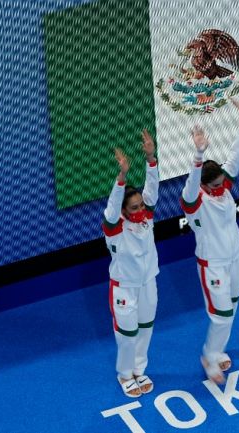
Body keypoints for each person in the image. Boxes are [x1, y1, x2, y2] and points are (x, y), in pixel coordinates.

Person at [180, 99, 239, 384]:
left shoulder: (222, 187)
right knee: (221, 315)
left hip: (237, 256)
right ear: (202, 186)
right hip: (213, 265)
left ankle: (218, 349)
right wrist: (198, 154)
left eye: (222, 182)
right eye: (214, 185)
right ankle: (210, 357)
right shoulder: (194, 202)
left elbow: (236, 157)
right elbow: (190, 186)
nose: (222, 188)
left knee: (231, 308)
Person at [103, 130, 159, 397]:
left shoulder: (146, 216)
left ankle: (139, 369)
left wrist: (150, 157)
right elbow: (113, 206)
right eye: (133, 207)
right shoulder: (114, 227)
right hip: (124, 287)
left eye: (140, 205)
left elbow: (153, 189)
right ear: (124, 211)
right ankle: (125, 375)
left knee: (146, 328)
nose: (139, 210)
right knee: (127, 334)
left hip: (148, 281)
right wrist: (122, 177)